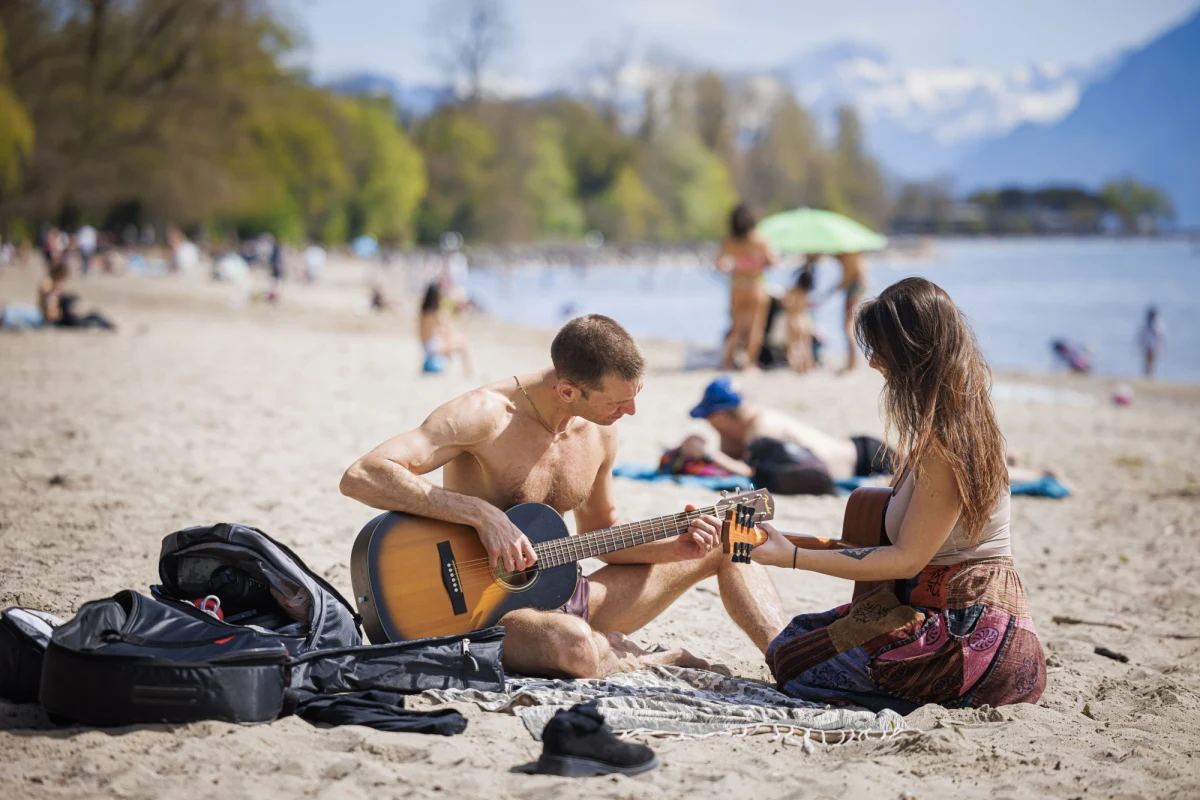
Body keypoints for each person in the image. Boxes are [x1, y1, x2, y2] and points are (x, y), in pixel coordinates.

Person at [340, 315, 788, 679]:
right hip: (491, 617)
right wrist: (480, 514)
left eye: (635, 396)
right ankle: (645, 660)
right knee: (574, 645)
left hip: (572, 593)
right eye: (617, 402)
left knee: (734, 541)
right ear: (568, 390)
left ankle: (791, 658)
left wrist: (674, 547)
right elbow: (364, 475)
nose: (630, 412)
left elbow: (599, 532)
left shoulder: (599, 432)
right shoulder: (484, 416)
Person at [750, 276, 1045, 712]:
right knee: (793, 642)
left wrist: (792, 558)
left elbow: (906, 559)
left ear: (912, 355)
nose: (873, 364)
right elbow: (883, 550)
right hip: (946, 612)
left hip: (965, 631)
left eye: (880, 350)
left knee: (796, 663)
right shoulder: (950, 423)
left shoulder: (947, 444)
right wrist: (784, 542)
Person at [688, 376, 895, 483]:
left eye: (708, 417)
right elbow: (732, 457)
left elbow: (750, 471)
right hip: (856, 449)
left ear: (722, 416)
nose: (707, 423)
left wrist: (707, 453)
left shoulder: (761, 429)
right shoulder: (747, 423)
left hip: (866, 461)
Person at [716, 205, 776, 370]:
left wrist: (737, 266)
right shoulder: (760, 239)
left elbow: (719, 264)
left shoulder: (731, 241)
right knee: (756, 326)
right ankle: (749, 364)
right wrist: (755, 264)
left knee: (736, 326)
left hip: (738, 285)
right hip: (756, 284)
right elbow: (773, 261)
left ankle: (727, 362)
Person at [38, 263, 116, 330]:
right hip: (53, 320)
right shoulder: (48, 283)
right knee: (90, 317)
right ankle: (108, 326)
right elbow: (47, 294)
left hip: (57, 318)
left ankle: (108, 325)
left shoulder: (51, 284)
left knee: (92, 315)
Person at [418, 282, 471, 375]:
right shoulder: (437, 314)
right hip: (434, 348)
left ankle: (449, 369)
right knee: (462, 342)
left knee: (447, 338)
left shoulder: (422, 314)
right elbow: (449, 328)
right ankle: (470, 372)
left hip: (427, 347)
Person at [834, 252, 867, 372]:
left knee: (848, 325)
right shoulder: (857, 254)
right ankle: (852, 362)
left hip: (854, 287)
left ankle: (852, 363)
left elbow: (846, 278)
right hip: (858, 286)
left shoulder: (848, 253)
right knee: (850, 324)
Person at [782, 267, 816, 374]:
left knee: (792, 346)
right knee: (805, 345)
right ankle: (807, 366)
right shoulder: (806, 294)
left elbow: (784, 302)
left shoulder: (794, 291)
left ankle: (796, 367)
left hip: (793, 320)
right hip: (805, 321)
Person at [1138, 306, 1164, 379]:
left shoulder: (1157, 324)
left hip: (1153, 346)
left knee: (1151, 362)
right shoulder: (1153, 324)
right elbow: (1142, 336)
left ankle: (1150, 376)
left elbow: (1160, 338)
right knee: (1148, 362)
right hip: (1147, 346)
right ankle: (1148, 376)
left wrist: (1160, 347)